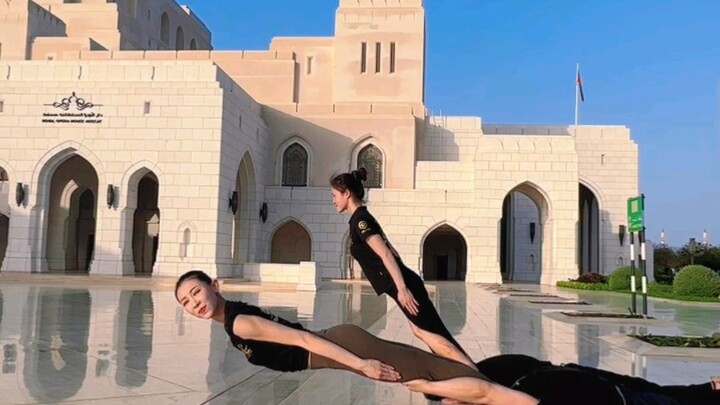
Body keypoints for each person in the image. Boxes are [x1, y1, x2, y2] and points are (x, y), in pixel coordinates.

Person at [174, 270, 539, 405]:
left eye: (196, 292)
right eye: (186, 301)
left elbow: (303, 341)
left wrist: (362, 364)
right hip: (344, 347)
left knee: (428, 379)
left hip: (345, 348)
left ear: (214, 286)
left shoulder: (238, 324)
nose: (194, 303)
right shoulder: (233, 317)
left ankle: (527, 400)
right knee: (432, 375)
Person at [330, 168, 476, 372]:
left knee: (432, 335)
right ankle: (459, 375)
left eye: (334, 195)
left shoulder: (361, 221)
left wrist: (403, 288)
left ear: (347, 193)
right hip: (403, 283)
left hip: (404, 285)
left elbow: (386, 255)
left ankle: (477, 377)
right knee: (421, 331)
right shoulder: (360, 219)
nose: (333, 200)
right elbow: (393, 251)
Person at [467, 354, 720, 405]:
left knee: (655, 390)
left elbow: (448, 350)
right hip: (614, 397)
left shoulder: (476, 375)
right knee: (660, 397)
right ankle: (711, 390)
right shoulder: (502, 397)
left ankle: (710, 388)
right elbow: (485, 393)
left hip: (583, 376)